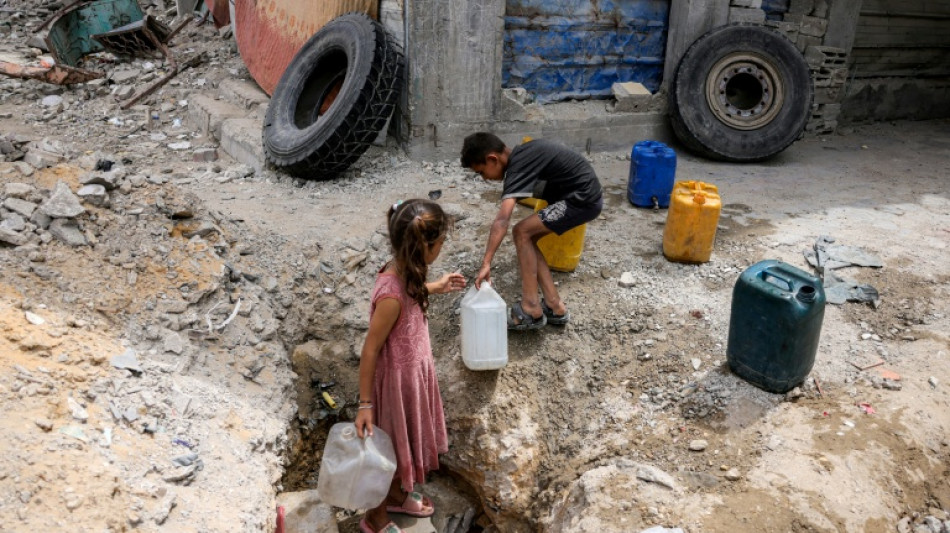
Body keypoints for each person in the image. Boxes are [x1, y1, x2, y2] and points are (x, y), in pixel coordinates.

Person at [354, 199, 466, 533]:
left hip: (414, 378)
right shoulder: (390, 294)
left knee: (408, 445)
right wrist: (365, 405)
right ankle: (375, 517)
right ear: (423, 246)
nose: (441, 248)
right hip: (395, 387)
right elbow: (371, 348)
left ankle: (400, 496)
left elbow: (412, 293)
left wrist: (436, 286)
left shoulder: (408, 270)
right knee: (388, 455)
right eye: (440, 243)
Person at [460, 132, 603, 330]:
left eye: (481, 172)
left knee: (521, 232)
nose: (484, 178)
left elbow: (502, 220)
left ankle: (530, 308)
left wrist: (486, 262)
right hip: (581, 196)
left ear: (492, 158)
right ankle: (554, 306)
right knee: (528, 235)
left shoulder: (518, 165)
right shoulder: (522, 157)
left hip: (581, 198)